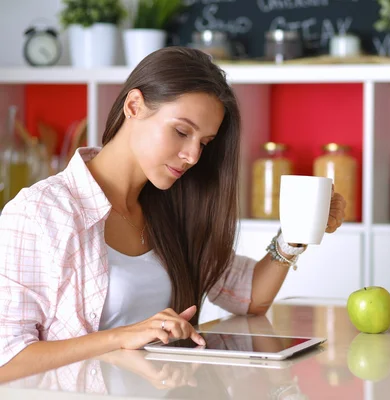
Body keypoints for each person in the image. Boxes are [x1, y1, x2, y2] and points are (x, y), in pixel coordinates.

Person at [0, 46, 346, 381]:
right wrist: (120, 337)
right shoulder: (40, 213)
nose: (193, 156)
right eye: (181, 132)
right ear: (134, 105)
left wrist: (297, 233)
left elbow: (248, 298)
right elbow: (7, 361)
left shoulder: (173, 206)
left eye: (204, 143)